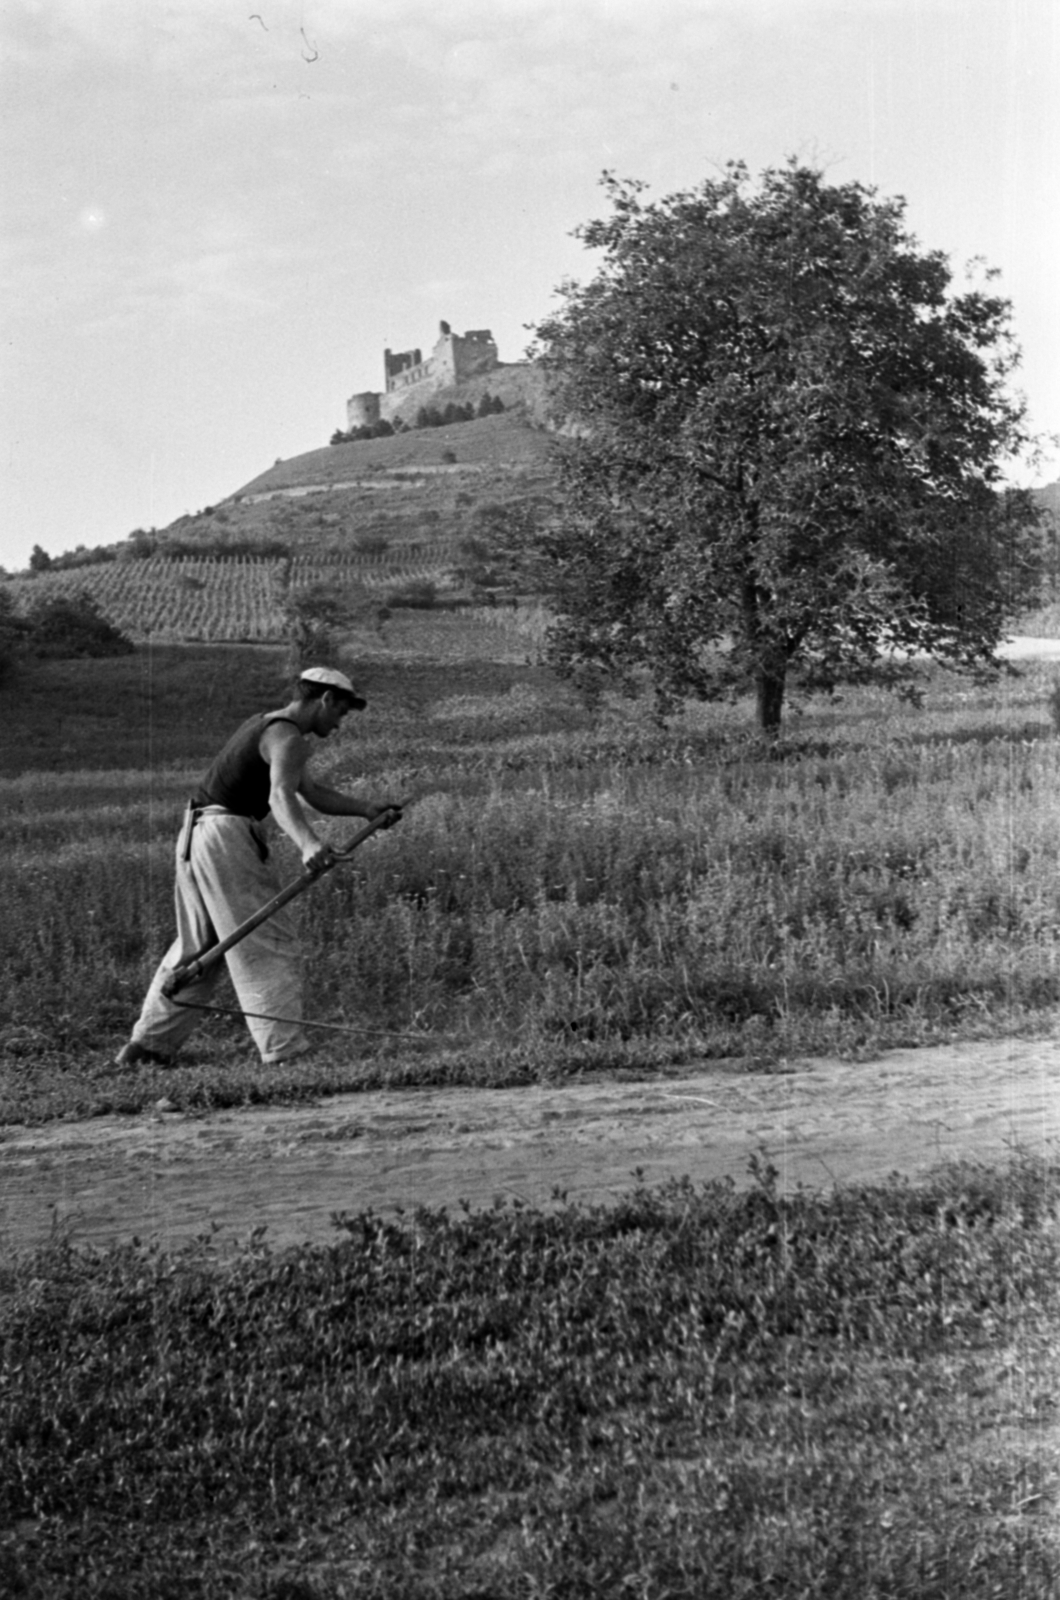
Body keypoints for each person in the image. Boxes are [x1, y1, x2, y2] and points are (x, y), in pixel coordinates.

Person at [115, 666, 400, 1068]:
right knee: (266, 940)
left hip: (198, 831)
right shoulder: (288, 738)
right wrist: (308, 844)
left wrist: (367, 810)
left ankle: (146, 1048)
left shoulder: (267, 726)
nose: (339, 723)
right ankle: (285, 1052)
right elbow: (281, 796)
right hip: (227, 834)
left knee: (203, 948)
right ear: (325, 700)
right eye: (342, 712)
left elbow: (311, 793)